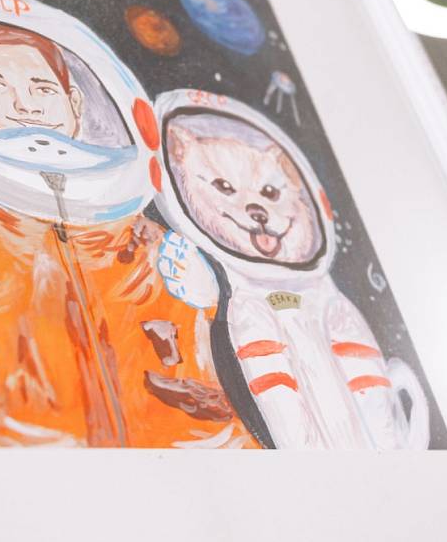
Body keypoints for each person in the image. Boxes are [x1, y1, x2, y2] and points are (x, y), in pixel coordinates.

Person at [0, 0, 254, 448]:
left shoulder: (136, 237)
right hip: (39, 445)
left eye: (42, 87)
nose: (26, 105)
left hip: (195, 445)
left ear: (75, 102)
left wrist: (201, 294)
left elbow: (187, 317)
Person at [153, 89, 431, 450]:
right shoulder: (245, 304)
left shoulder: (328, 300)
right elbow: (281, 411)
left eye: (269, 193)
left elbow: (373, 396)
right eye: (224, 187)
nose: (254, 208)